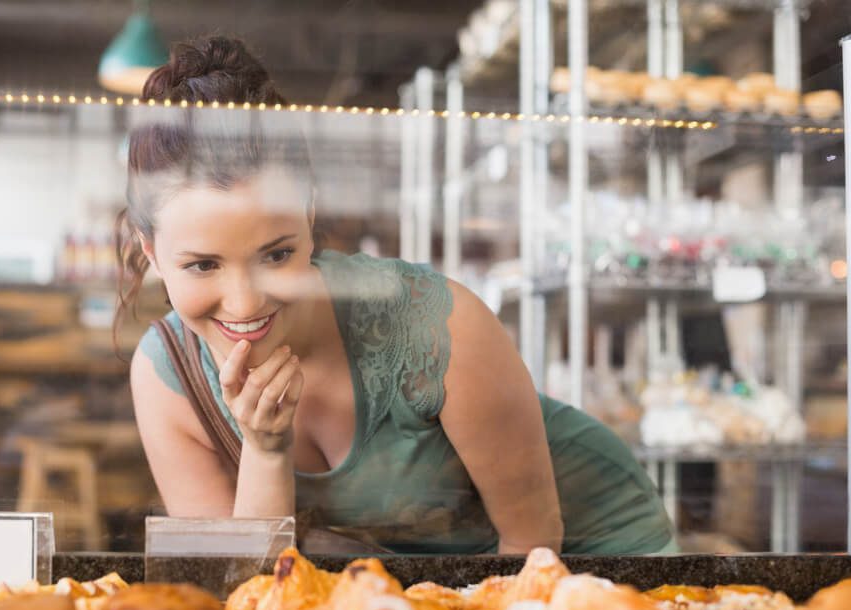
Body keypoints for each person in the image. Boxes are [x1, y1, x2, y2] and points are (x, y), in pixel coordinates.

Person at [116, 36, 675, 555]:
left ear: (309, 213)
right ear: (151, 252)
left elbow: (533, 549)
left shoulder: (436, 325)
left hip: (595, 554)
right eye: (203, 265)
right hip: (444, 586)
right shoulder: (171, 378)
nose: (243, 303)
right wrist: (265, 449)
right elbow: (241, 592)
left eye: (276, 255)